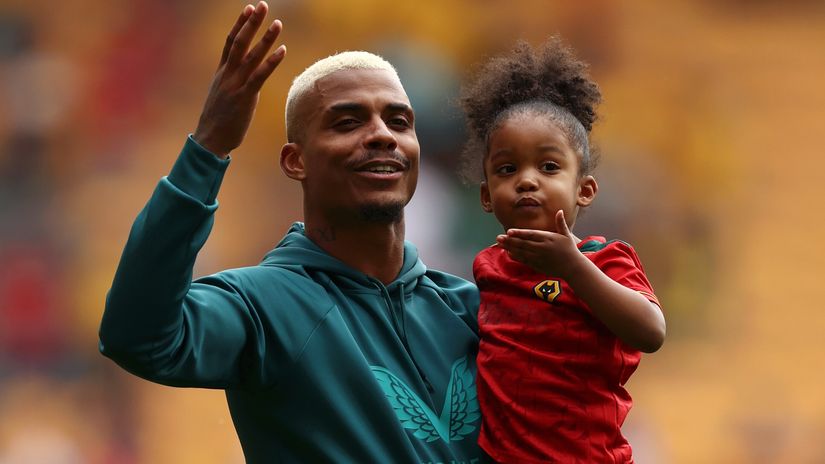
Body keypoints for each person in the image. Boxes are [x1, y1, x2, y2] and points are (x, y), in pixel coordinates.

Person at [98, 2, 482, 463]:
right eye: (347, 121)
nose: (382, 134)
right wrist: (208, 147)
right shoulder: (265, 308)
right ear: (295, 161)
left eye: (399, 121)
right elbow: (138, 338)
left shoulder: (470, 308)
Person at [458, 38, 666, 463]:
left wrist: (571, 266)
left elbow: (651, 331)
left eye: (549, 167)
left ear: (584, 190)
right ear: (486, 195)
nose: (527, 180)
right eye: (506, 169)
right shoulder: (487, 268)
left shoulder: (604, 261)